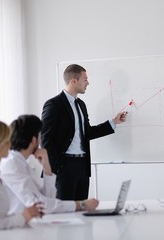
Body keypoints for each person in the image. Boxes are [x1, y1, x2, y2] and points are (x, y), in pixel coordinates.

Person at [41, 64, 128, 201]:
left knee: (81, 211)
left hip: (82, 167)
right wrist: (57, 166)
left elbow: (87, 133)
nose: (88, 83)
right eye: (85, 79)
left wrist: (113, 122)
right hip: (63, 167)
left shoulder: (81, 105)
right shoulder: (53, 104)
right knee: (65, 214)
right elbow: (45, 139)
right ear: (73, 81)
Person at [0, 115, 99, 215]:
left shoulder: (20, 163)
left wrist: (47, 168)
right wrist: (81, 205)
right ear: (34, 140)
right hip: (16, 226)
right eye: (40, 136)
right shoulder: (12, 165)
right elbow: (41, 205)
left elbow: (48, 200)